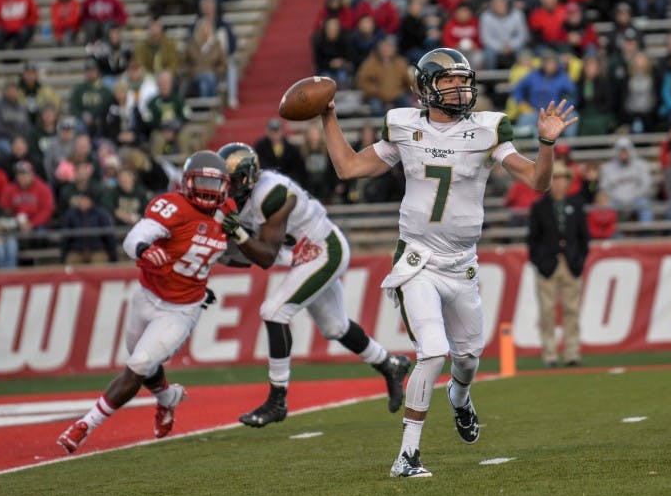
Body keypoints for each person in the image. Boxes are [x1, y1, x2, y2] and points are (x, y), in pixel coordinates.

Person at [319, 47, 576, 478]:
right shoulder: (403, 127)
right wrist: (327, 117)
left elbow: (537, 180)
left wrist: (546, 144)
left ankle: (460, 398)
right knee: (432, 351)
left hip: (463, 266)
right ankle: (408, 455)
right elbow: (347, 168)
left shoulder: (487, 129)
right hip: (417, 260)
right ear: (425, 88)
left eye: (464, 80)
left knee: (468, 359)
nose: (460, 88)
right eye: (449, 81)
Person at [215, 143, 411, 426]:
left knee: (273, 311)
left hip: (323, 250)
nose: (228, 187)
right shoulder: (245, 198)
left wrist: (235, 232)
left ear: (248, 177)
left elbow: (266, 256)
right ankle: (390, 364)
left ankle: (277, 400)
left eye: (233, 180)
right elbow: (245, 257)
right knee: (335, 327)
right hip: (303, 256)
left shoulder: (272, 193)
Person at [57, 151, 232, 454]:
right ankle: (167, 400)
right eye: (201, 181)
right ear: (187, 182)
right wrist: (144, 249)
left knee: (138, 364)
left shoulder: (228, 214)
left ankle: (84, 425)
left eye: (213, 183)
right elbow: (135, 236)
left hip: (182, 308)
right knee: (143, 359)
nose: (207, 189)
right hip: (147, 295)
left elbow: (236, 253)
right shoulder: (173, 206)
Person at [527, 161, 589, 368]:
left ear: (568, 182)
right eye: (555, 178)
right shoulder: (539, 207)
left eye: (562, 179)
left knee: (572, 309)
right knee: (547, 311)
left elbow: (584, 238)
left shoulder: (576, 205)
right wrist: (540, 262)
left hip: (570, 263)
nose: (559, 183)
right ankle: (550, 354)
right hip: (548, 265)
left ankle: (572, 352)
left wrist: (578, 260)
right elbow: (532, 240)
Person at [597, 137, 654, 224]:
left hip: (636, 198)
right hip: (615, 200)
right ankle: (612, 235)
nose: (623, 153)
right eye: (621, 151)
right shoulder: (608, 168)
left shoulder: (641, 165)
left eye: (625, 150)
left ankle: (645, 234)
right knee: (606, 206)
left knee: (645, 205)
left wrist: (634, 196)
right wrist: (616, 197)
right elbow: (604, 188)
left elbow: (646, 185)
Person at [253, 118, 307, 186]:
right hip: (268, 182)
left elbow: (297, 166)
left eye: (277, 130)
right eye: (272, 130)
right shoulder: (260, 146)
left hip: (288, 182)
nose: (275, 133)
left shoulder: (290, 147)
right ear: (268, 131)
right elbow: (259, 164)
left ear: (281, 131)